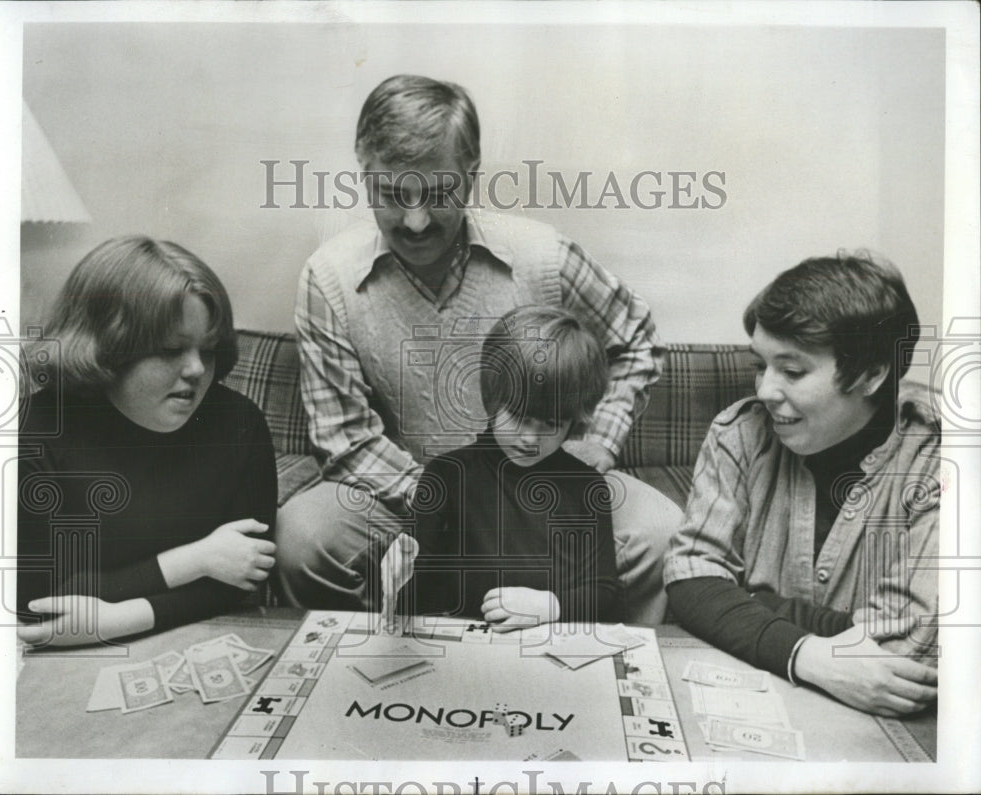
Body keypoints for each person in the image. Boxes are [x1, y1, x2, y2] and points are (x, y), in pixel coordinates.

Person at [277, 74, 681, 624]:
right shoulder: (327, 279)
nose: (416, 221)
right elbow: (345, 438)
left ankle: (601, 682)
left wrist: (597, 446)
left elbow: (637, 340)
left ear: (470, 176)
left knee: (661, 534)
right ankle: (371, 674)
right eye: (394, 195)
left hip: (545, 481)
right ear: (365, 178)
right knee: (304, 536)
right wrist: (450, 504)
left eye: (439, 193)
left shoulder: (544, 255)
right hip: (404, 494)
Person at [663, 253, 940, 717]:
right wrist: (806, 654)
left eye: (792, 372)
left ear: (872, 374)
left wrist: (747, 605)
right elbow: (690, 578)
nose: (767, 390)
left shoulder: (941, 464)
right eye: (761, 365)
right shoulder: (740, 433)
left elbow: (902, 656)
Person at [16, 235, 277, 646]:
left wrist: (120, 617)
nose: (196, 369)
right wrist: (195, 560)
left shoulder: (239, 422)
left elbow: (244, 575)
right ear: (104, 347)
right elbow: (35, 606)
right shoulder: (31, 436)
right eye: (170, 349)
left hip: (193, 636)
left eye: (208, 349)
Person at [401, 305, 621, 629]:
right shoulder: (447, 474)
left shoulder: (586, 485)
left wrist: (551, 606)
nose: (530, 438)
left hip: (552, 646)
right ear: (493, 398)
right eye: (519, 416)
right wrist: (395, 575)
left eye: (551, 423)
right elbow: (415, 591)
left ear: (573, 422)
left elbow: (604, 592)